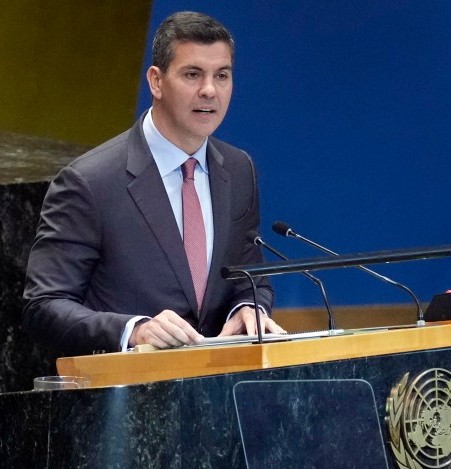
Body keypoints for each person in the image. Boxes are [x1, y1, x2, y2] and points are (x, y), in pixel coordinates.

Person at [22, 11, 284, 356]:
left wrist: (249, 307)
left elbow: (250, 276)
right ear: (156, 82)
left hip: (218, 388)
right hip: (126, 396)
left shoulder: (238, 169)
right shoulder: (89, 182)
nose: (209, 90)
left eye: (222, 75)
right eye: (193, 74)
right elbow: (43, 307)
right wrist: (135, 330)